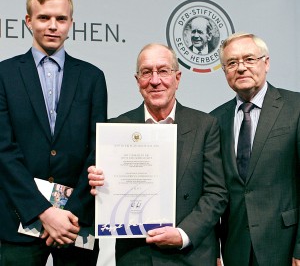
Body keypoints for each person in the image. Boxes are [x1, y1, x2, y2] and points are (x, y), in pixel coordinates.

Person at [88, 43, 228, 265]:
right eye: (146, 72)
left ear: (178, 78)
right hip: (137, 256)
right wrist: (99, 183)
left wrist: (183, 234)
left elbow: (216, 193)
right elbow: (104, 194)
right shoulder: (117, 128)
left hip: (191, 255)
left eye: (163, 71)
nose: (155, 80)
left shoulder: (205, 126)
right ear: (137, 81)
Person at [0, 0, 107, 265]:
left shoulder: (93, 78)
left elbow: (97, 151)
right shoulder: (4, 74)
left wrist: (68, 214)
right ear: (28, 21)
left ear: (71, 23)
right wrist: (44, 212)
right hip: (18, 220)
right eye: (44, 17)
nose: (52, 26)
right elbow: (3, 151)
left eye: (61, 19)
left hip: (76, 223)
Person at [210, 32, 300, 266]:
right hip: (235, 248)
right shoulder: (214, 120)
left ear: (266, 63)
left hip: (285, 244)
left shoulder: (295, 108)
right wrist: (214, 250)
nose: (240, 68)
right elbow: (212, 191)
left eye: (249, 59)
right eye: (231, 63)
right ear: (225, 72)